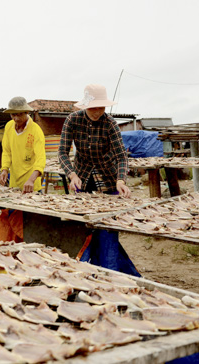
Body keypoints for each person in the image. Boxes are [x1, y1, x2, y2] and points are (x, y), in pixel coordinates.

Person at [58, 84, 139, 276]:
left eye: (101, 108)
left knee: (107, 227)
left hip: (107, 176)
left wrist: (121, 180)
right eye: (94, 107)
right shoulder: (72, 120)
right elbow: (62, 152)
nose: (97, 112)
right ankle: (84, 270)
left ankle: (110, 271)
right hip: (82, 177)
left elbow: (121, 156)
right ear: (86, 106)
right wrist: (72, 174)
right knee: (83, 225)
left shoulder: (110, 123)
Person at [0, 96, 46, 242]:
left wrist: (31, 179)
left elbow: (41, 158)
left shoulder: (36, 130)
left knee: (31, 226)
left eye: (19, 114)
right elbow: (6, 151)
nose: (16, 118)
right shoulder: (8, 127)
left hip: (32, 185)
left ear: (26, 112)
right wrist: (4, 169)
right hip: (15, 184)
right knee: (13, 223)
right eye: (13, 114)